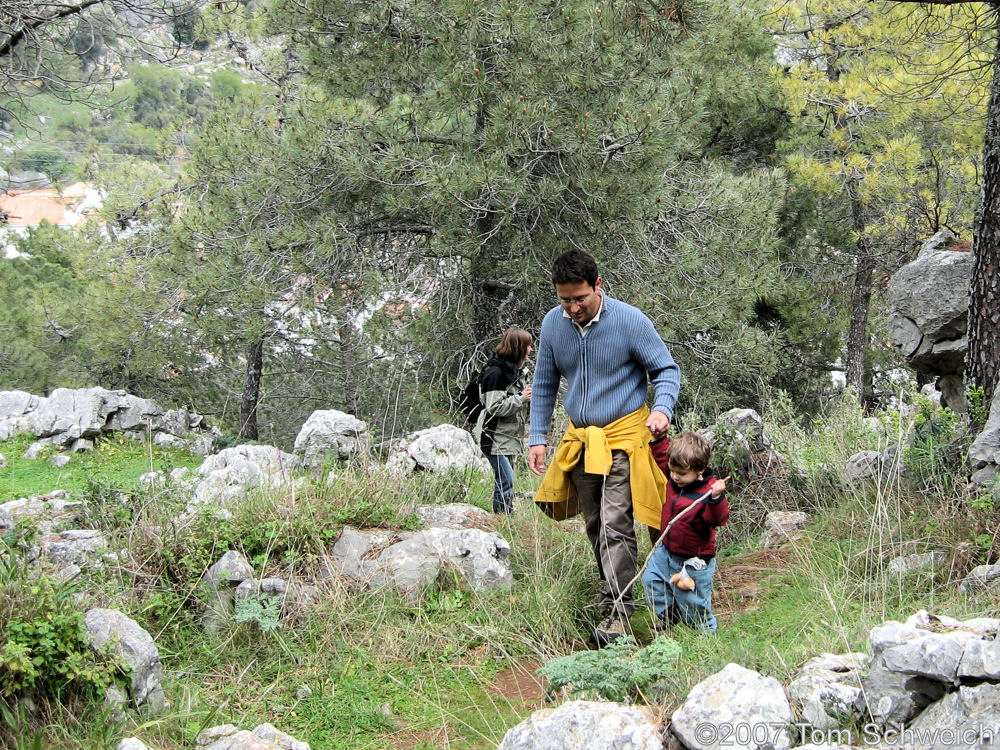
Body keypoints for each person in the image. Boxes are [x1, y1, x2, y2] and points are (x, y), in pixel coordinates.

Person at [529, 249, 681, 647]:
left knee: (617, 524)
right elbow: (544, 382)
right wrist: (538, 438)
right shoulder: (552, 324)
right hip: (582, 443)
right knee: (595, 525)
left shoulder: (630, 321)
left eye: (580, 298)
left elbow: (666, 370)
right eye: (565, 300)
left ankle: (618, 612)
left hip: (625, 440)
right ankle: (614, 590)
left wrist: (662, 409)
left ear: (598, 286)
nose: (573, 308)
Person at [643, 432, 729, 633]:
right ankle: (669, 615)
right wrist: (658, 438)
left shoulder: (708, 492)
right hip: (665, 551)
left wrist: (716, 498)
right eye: (672, 471)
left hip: (693, 560)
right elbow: (664, 457)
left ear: (699, 469)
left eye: (680, 474)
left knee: (692, 603)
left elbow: (720, 519)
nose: (674, 476)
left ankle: (706, 634)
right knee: (650, 581)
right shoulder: (675, 476)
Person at [475, 327, 533, 514]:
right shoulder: (496, 374)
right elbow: (494, 407)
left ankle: (507, 516)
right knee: (506, 478)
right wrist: (522, 398)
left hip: (507, 437)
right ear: (518, 348)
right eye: (528, 346)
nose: (530, 349)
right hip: (492, 436)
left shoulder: (517, 372)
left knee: (506, 479)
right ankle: (503, 517)